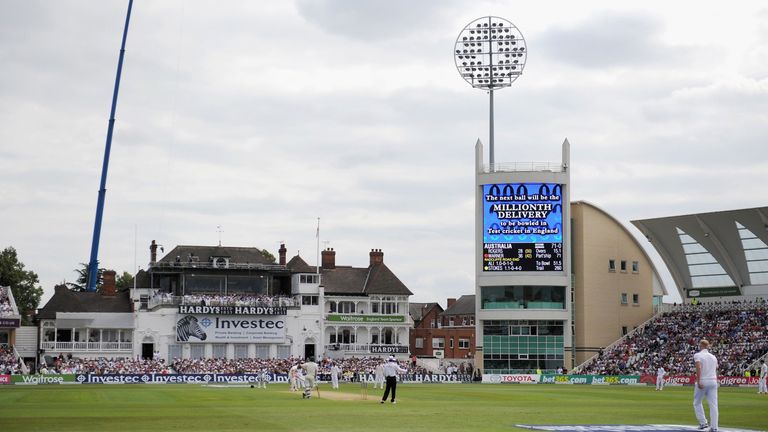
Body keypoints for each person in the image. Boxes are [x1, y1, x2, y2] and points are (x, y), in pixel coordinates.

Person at [693, 339, 718, 432]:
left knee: (697, 402)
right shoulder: (713, 357)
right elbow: (715, 368)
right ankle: (714, 427)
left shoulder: (698, 355)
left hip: (703, 380)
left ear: (701, 345)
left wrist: (698, 380)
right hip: (713, 381)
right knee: (713, 405)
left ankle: (703, 423)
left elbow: (698, 367)